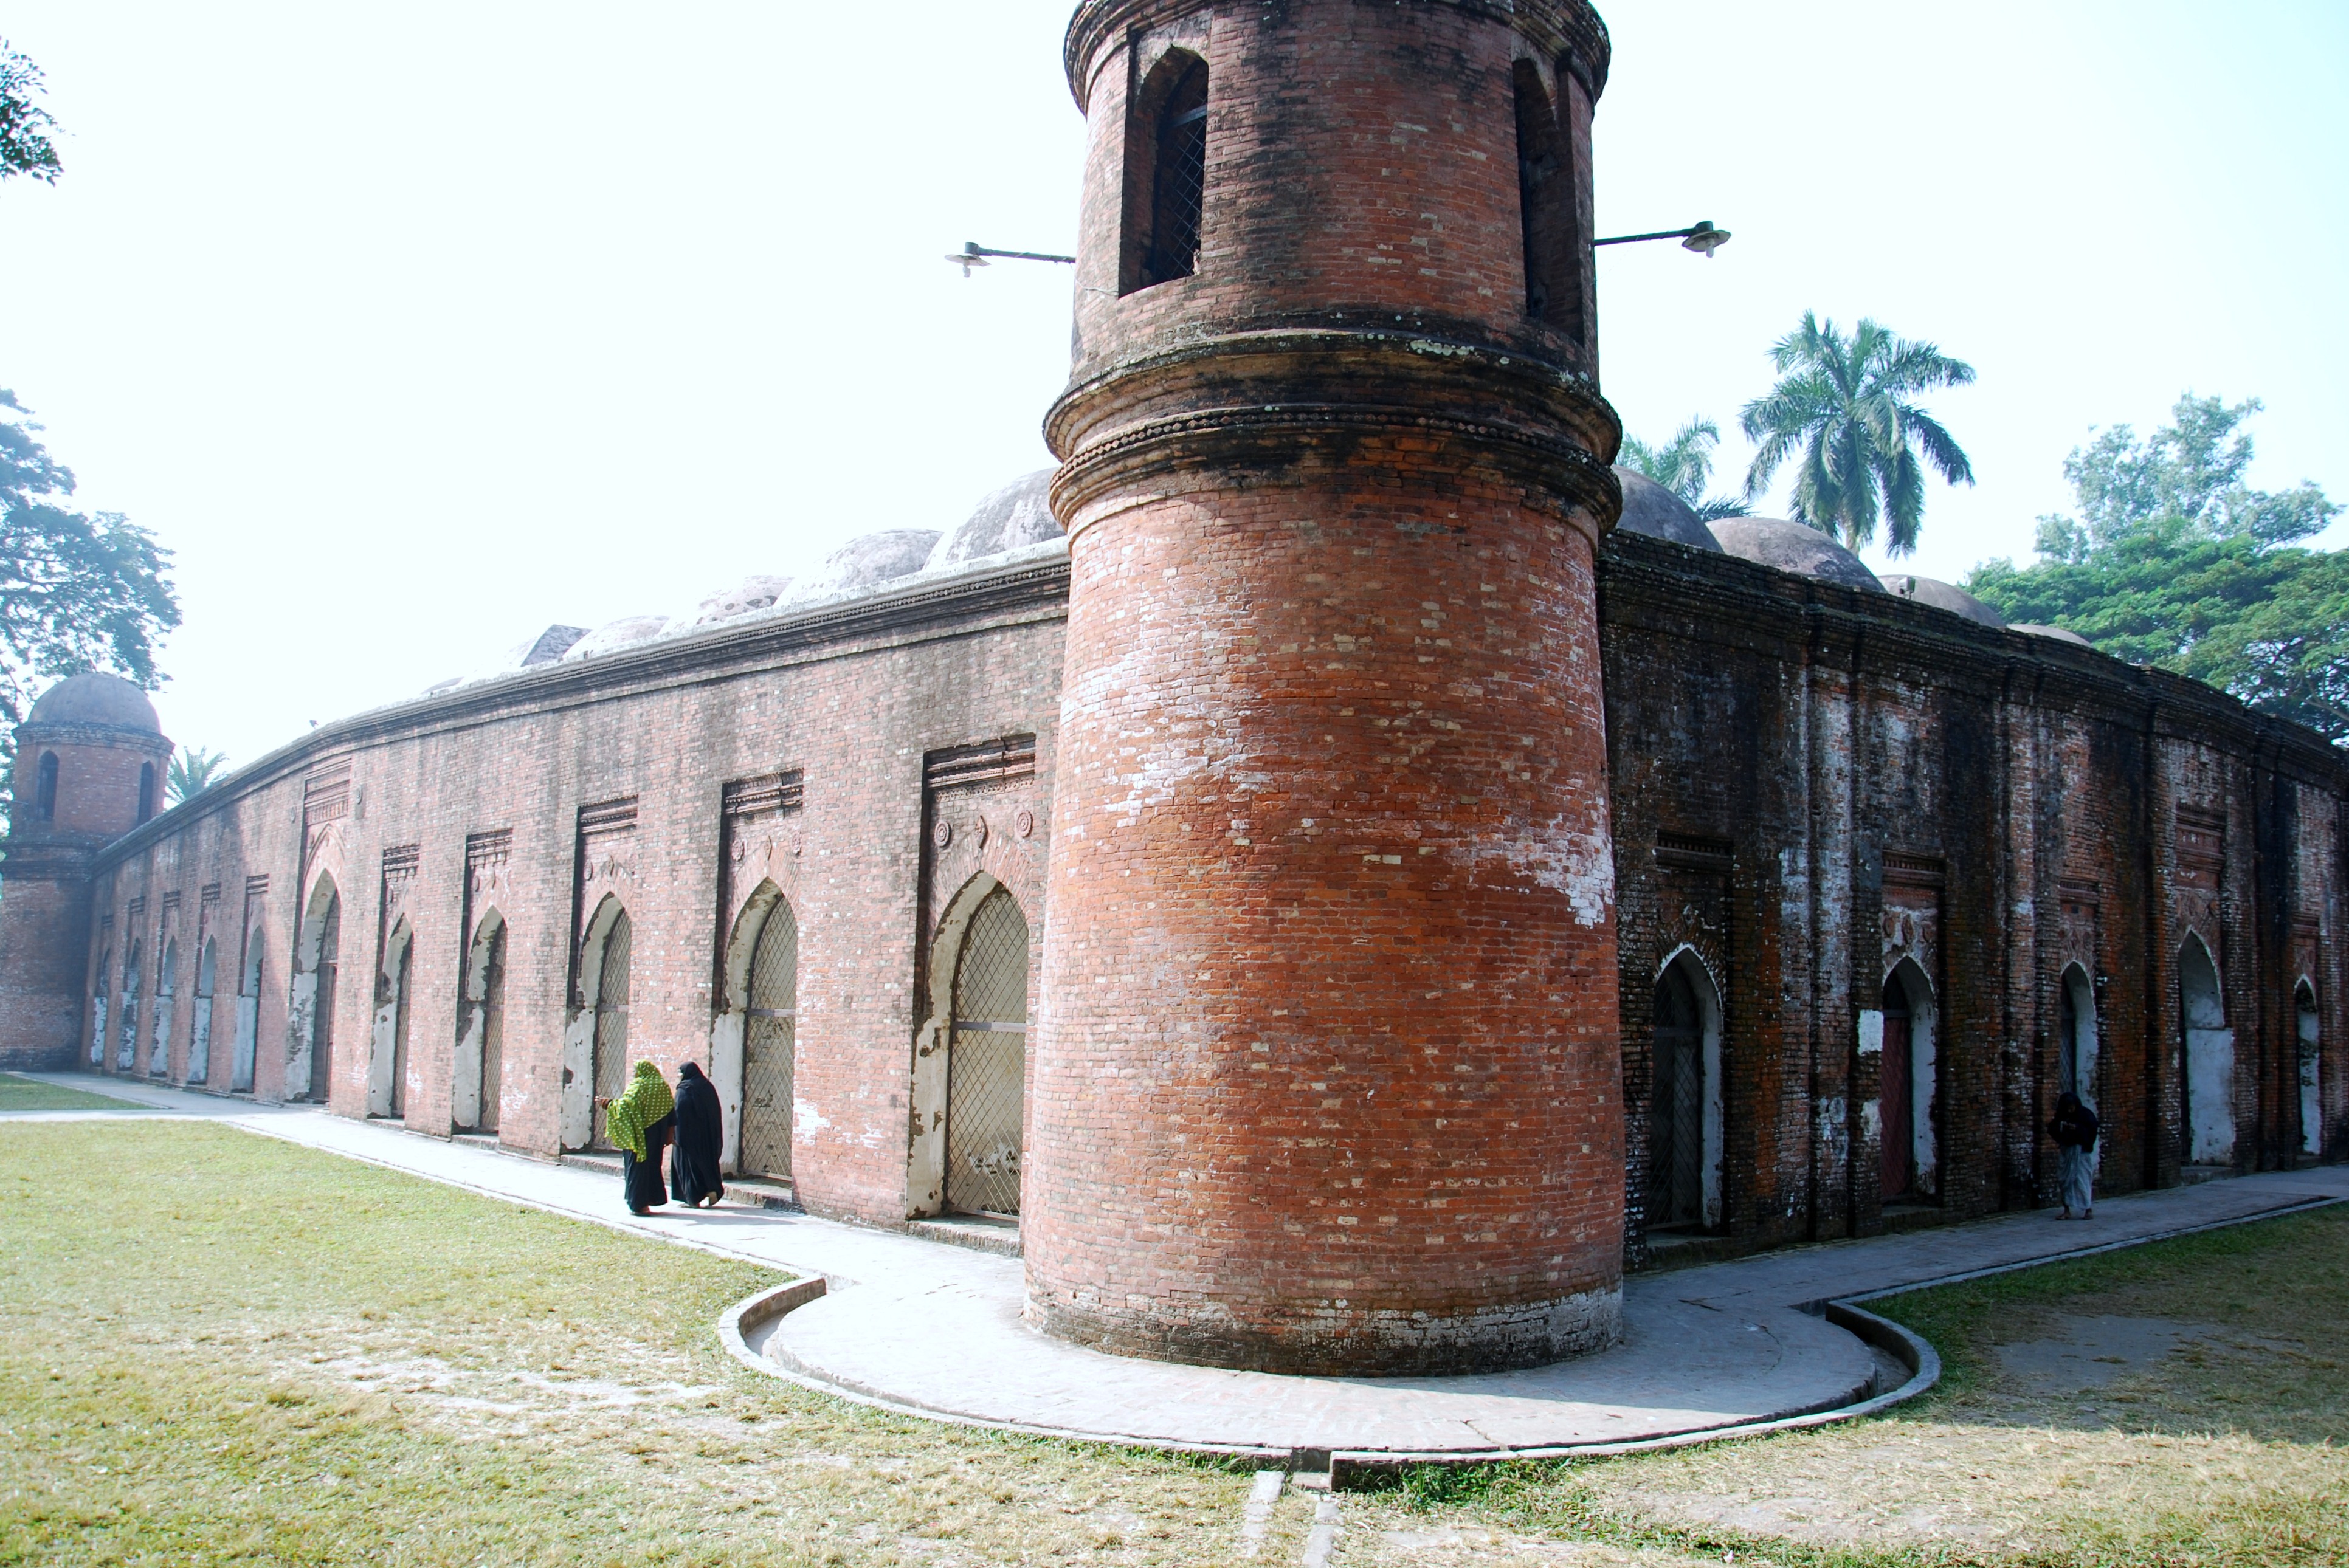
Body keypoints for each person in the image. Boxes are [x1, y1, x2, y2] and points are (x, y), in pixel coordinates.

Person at [597, 1059, 675, 1216]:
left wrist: (608, 1103)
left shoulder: (639, 1086)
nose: (634, 1074)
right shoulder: (663, 1087)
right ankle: (652, 1199)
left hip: (638, 1136)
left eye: (635, 1071)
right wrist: (668, 1136)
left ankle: (640, 1205)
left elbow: (626, 1107)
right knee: (652, 1167)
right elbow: (671, 1113)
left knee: (637, 1169)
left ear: (641, 1071)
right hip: (657, 1137)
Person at [669, 1061, 727, 1209]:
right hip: (707, 1137)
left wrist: (675, 1136)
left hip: (688, 1138)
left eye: (680, 1073)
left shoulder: (684, 1090)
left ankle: (693, 1199)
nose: (679, 1076)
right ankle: (712, 1190)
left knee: (687, 1167)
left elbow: (679, 1114)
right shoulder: (707, 1087)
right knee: (706, 1163)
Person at [2051, 1090, 2099, 1221]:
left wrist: (2077, 1129)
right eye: (2067, 1108)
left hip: (2081, 1153)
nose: (2070, 1111)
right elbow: (2053, 1129)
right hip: (2067, 1151)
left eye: (2072, 1108)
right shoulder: (2061, 1116)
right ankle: (2066, 1210)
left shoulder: (2086, 1115)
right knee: (2065, 1181)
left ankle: (2087, 1209)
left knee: (2083, 1180)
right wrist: (2063, 1128)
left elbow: (2092, 1131)